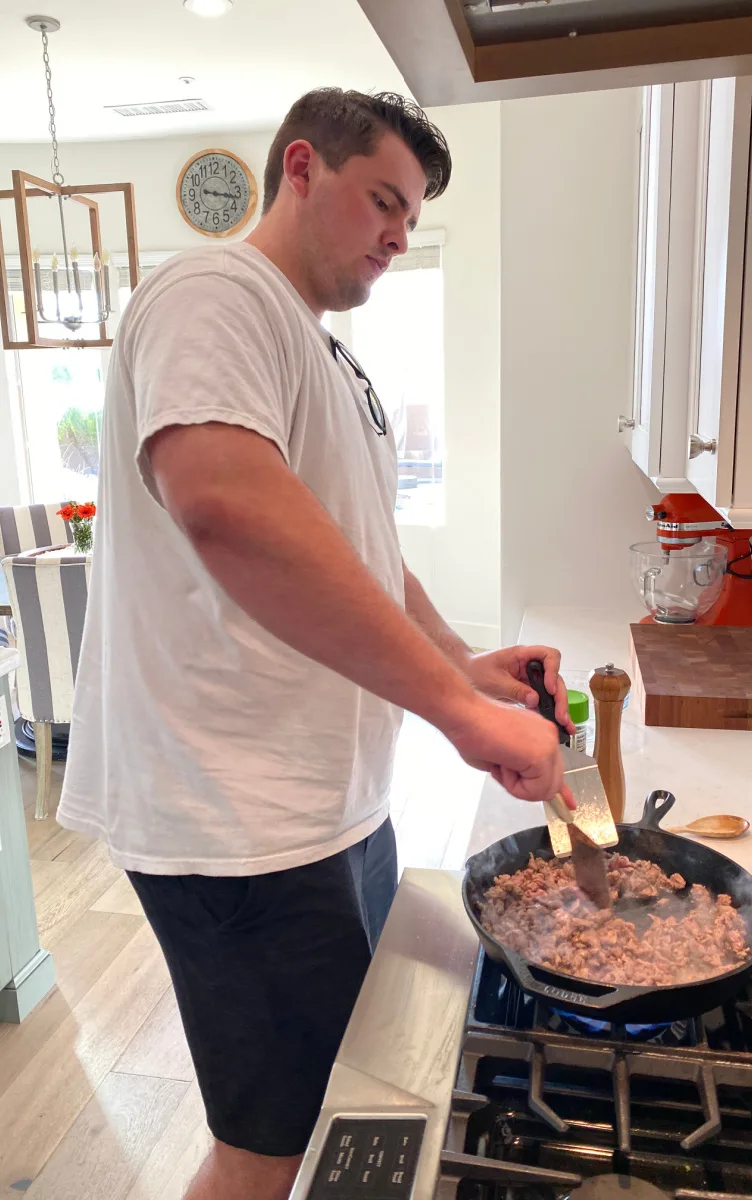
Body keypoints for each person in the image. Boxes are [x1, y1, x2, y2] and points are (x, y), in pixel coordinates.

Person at [57, 88, 575, 1200]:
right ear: (301, 168)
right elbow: (228, 509)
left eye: (410, 214)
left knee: (339, 1108)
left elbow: (362, 553)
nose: (397, 233)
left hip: (326, 805)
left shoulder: (323, 354)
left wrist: (462, 667)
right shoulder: (214, 294)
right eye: (382, 200)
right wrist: (455, 714)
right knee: (272, 1145)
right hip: (232, 817)